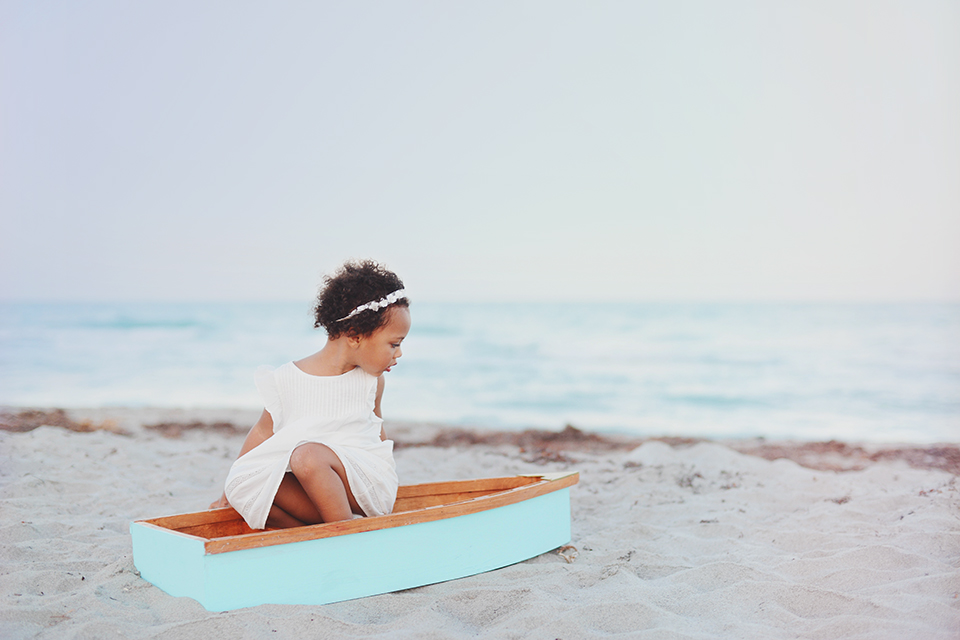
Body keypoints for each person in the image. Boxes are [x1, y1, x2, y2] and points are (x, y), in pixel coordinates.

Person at [209, 260, 410, 530]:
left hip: (363, 484)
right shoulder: (284, 379)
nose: (399, 354)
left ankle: (344, 534)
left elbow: (377, 436)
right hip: (313, 487)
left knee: (307, 456)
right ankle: (309, 533)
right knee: (245, 484)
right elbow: (262, 432)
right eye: (394, 344)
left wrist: (388, 478)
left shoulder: (371, 381)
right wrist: (227, 492)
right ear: (354, 335)